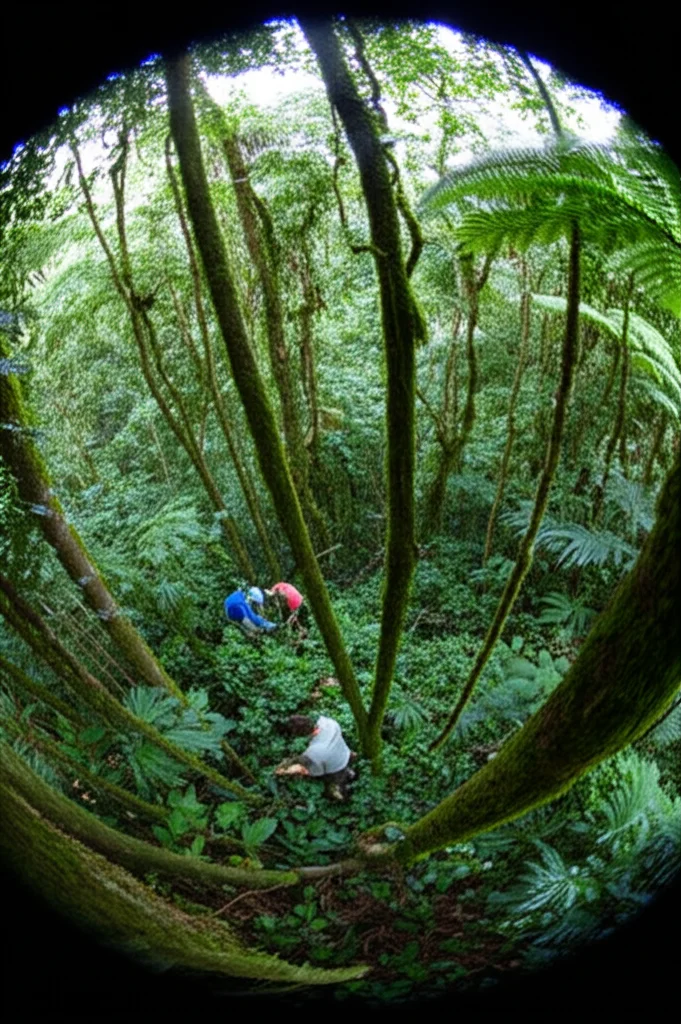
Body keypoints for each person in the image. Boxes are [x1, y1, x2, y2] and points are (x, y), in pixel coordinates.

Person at [275, 714, 357, 801]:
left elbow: (316, 771)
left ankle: (343, 792)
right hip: (344, 753)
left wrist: (289, 770)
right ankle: (350, 771)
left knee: (334, 789)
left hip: (336, 768)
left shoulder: (313, 753)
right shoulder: (329, 722)